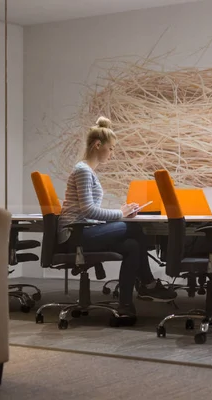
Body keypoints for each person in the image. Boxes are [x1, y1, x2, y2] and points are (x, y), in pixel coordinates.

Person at [57, 116, 176, 320]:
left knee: (132, 246)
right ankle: (147, 284)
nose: (112, 153)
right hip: (75, 234)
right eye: (110, 148)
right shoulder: (83, 171)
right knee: (134, 229)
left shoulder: (88, 171)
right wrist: (121, 214)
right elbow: (88, 210)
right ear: (97, 145)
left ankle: (126, 305)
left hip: (84, 230)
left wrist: (122, 212)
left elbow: (90, 211)